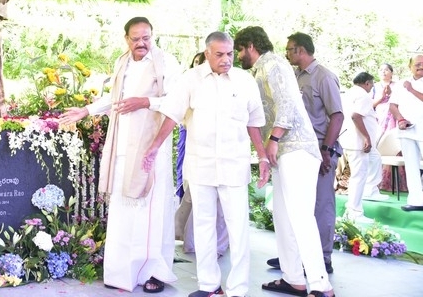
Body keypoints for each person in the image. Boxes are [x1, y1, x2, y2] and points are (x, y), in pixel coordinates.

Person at [58, 17, 180, 293]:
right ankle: (122, 273)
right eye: (136, 39)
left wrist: (146, 101)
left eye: (146, 37)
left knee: (151, 210)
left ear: (153, 35)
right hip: (123, 147)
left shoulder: (166, 63)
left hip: (151, 149)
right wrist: (85, 111)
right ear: (126, 39)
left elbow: (177, 102)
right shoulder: (121, 62)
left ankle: (154, 272)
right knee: (124, 210)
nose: (141, 43)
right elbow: (114, 100)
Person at [143, 31, 268, 297]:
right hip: (201, 166)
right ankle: (209, 286)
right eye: (220, 54)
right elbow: (172, 115)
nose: (226, 59)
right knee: (203, 225)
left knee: (238, 229)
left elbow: (254, 122)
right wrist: (153, 147)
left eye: (230, 53)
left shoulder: (245, 81)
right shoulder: (191, 80)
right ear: (207, 53)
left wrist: (263, 156)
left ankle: (237, 290)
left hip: (235, 166)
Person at [233, 26, 334, 297]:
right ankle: (293, 279)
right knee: (284, 218)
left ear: (251, 45)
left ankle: (322, 285)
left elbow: (287, 103)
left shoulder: (274, 64)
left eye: (239, 49)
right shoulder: (258, 71)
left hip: (296, 148)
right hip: (281, 152)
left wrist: (274, 139)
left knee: (300, 217)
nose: (238, 56)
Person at [272, 32, 343, 275]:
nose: (286, 53)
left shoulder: (324, 76)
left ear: (301, 50)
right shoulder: (294, 77)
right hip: (299, 149)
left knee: (321, 204)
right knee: (297, 206)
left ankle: (323, 258)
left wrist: (326, 149)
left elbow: (337, 115)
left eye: (289, 49)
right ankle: (295, 257)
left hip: (321, 149)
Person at [174, 52, 229, 258]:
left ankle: (218, 245)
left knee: (219, 203)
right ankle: (190, 240)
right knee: (191, 193)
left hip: (220, 151)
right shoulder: (188, 82)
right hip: (190, 140)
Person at [343, 71, 381, 222]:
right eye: (372, 84)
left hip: (351, 140)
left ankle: (371, 190)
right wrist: (366, 137)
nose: (372, 87)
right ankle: (354, 212)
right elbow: (355, 116)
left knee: (376, 159)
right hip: (359, 142)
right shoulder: (363, 95)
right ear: (367, 83)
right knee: (358, 176)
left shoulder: (350, 93)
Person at [387, 54, 423, 212]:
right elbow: (393, 105)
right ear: (410, 66)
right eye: (417, 64)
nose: (421, 66)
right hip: (407, 130)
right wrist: (400, 119)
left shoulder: (408, 85)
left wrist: (412, 89)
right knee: (411, 165)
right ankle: (416, 201)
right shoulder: (401, 83)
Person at [373, 63, 406, 194]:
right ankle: (380, 182)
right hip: (379, 120)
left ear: (391, 72)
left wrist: (392, 95)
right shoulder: (374, 86)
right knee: (379, 148)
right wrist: (381, 97)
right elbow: (370, 105)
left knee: (396, 148)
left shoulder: (398, 86)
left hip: (394, 120)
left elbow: (402, 103)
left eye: (386, 70)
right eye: (381, 70)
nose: (383, 72)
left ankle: (400, 183)